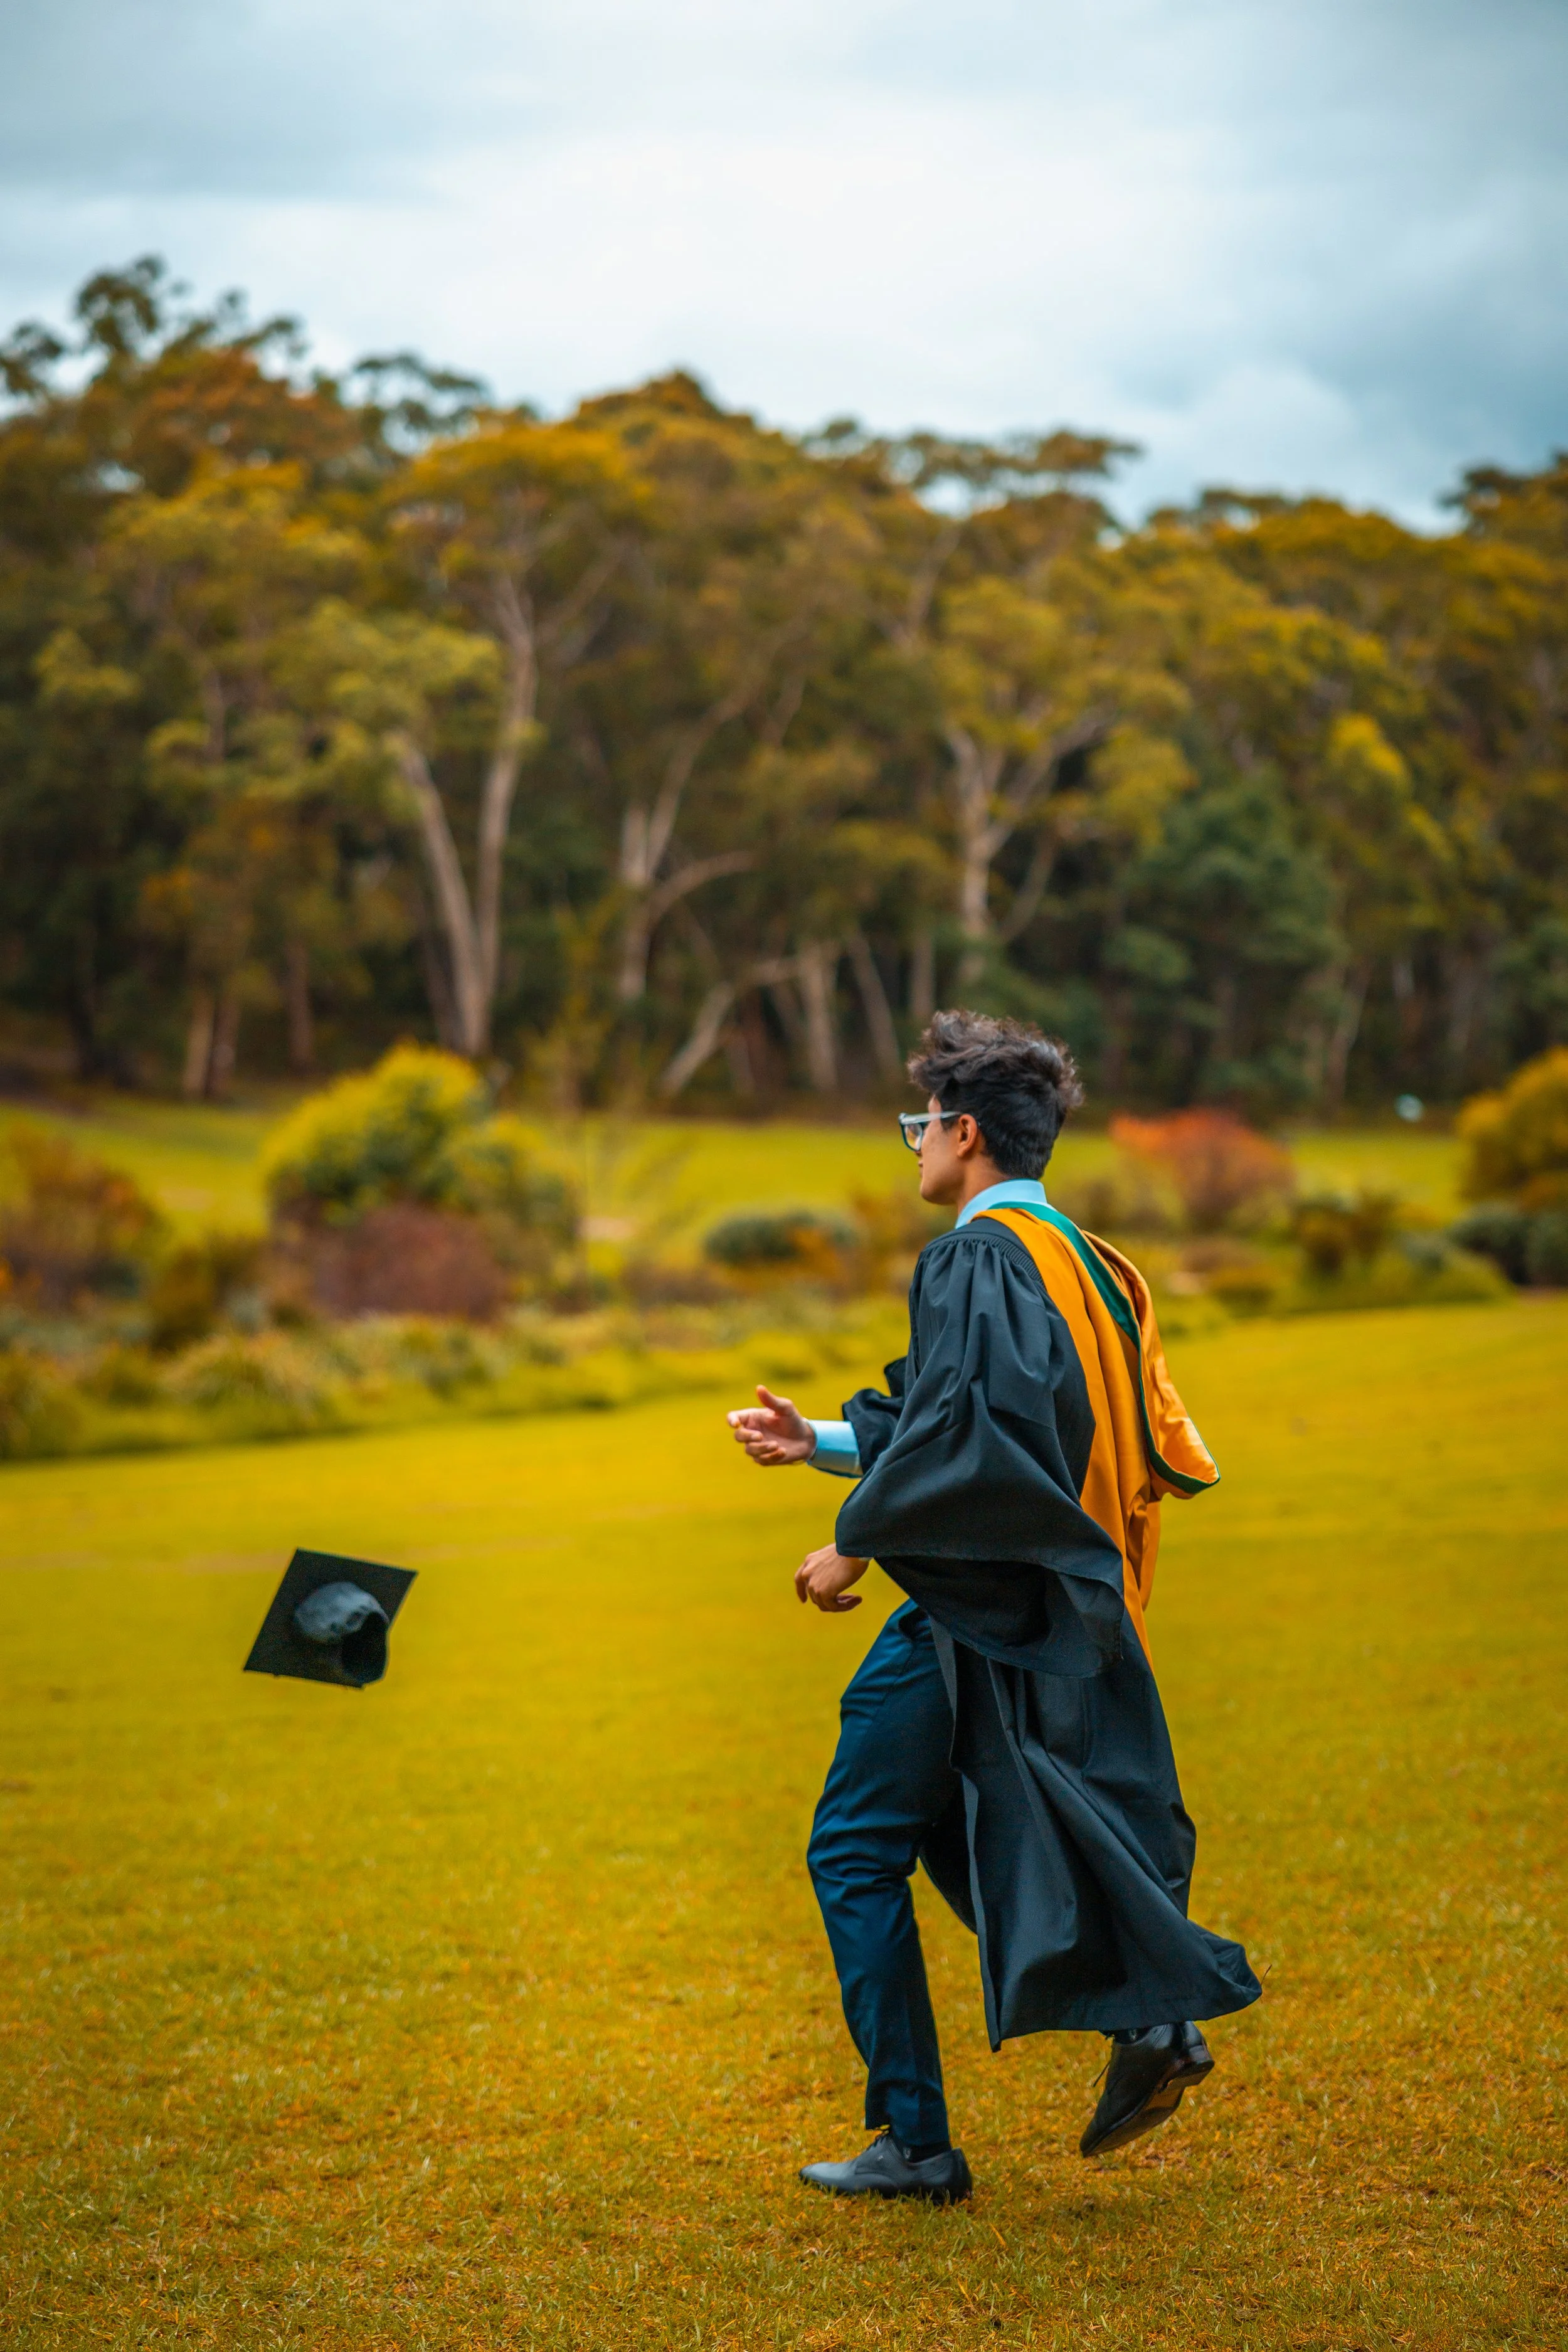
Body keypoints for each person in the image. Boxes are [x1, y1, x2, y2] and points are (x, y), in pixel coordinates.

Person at [727, 1011, 1260, 2204]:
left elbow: (973, 1437)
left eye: (921, 1125)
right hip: (1051, 1600)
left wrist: (854, 1541)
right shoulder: (1084, 1260)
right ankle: (1151, 2013)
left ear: (965, 1133)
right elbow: (947, 1409)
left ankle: (917, 2140)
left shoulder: (976, 1257)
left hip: (978, 1610)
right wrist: (814, 1437)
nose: (912, 1145)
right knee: (939, 1826)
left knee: (854, 1847)